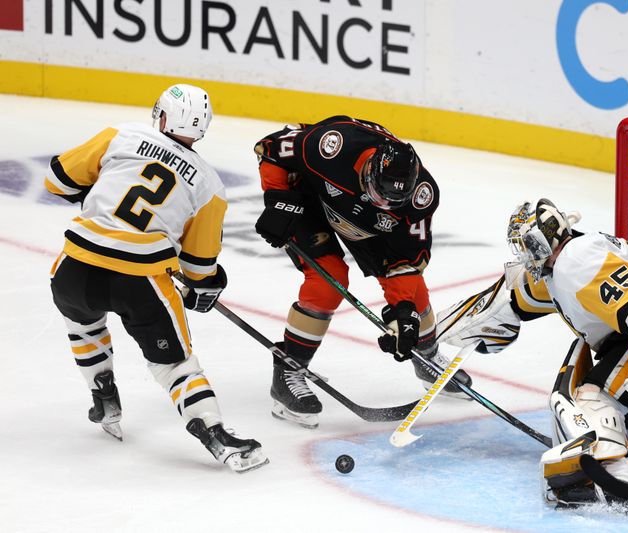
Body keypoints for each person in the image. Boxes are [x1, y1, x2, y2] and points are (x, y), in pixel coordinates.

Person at [436, 198, 628, 506]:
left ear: (544, 238)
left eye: (527, 245)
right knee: (607, 404)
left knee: (592, 401)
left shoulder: (578, 261)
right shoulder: (559, 267)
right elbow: (506, 302)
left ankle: (613, 472)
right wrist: (430, 334)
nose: (524, 255)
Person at [46, 84, 267, 473]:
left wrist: (97, 193)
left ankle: (104, 399)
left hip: (74, 267)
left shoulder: (122, 135)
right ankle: (216, 434)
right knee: (176, 365)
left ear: (162, 116)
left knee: (82, 327)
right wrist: (208, 283)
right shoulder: (210, 185)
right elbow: (198, 268)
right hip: (139, 280)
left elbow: (57, 181)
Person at [253, 115, 472, 429]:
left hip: (367, 227)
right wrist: (277, 201)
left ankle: (427, 357)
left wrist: (402, 313)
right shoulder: (334, 146)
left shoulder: (421, 197)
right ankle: (289, 370)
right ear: (370, 169)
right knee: (329, 280)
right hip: (310, 200)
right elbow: (270, 149)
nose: (381, 202)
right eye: (377, 192)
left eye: (391, 201)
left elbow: (405, 263)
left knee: (415, 293)